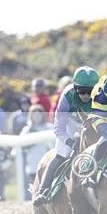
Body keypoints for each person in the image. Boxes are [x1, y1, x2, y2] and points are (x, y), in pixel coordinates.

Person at [32, 66, 101, 206]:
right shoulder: (67, 95)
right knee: (62, 153)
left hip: (94, 124)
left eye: (89, 91)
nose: (86, 95)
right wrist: (69, 141)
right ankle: (43, 191)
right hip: (71, 124)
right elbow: (59, 127)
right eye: (82, 91)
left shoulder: (102, 95)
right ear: (75, 88)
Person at [18, 105, 53, 199]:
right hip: (33, 164)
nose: (37, 117)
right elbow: (21, 144)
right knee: (34, 188)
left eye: (39, 115)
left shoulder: (49, 127)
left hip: (47, 163)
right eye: (35, 115)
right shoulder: (27, 129)